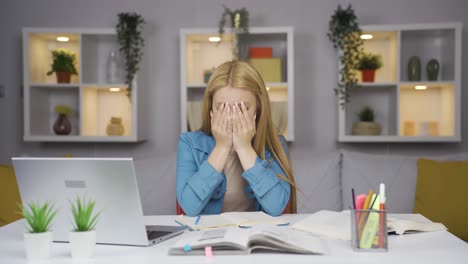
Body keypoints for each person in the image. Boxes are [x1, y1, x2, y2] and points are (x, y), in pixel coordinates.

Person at [176, 60, 296, 216]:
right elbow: (188, 207)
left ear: (258, 109)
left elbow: (276, 206)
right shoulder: (189, 143)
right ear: (210, 108)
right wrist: (221, 147)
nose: (232, 117)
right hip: (209, 237)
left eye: (242, 108)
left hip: (255, 235)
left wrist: (244, 148)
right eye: (222, 108)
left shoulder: (275, 144)